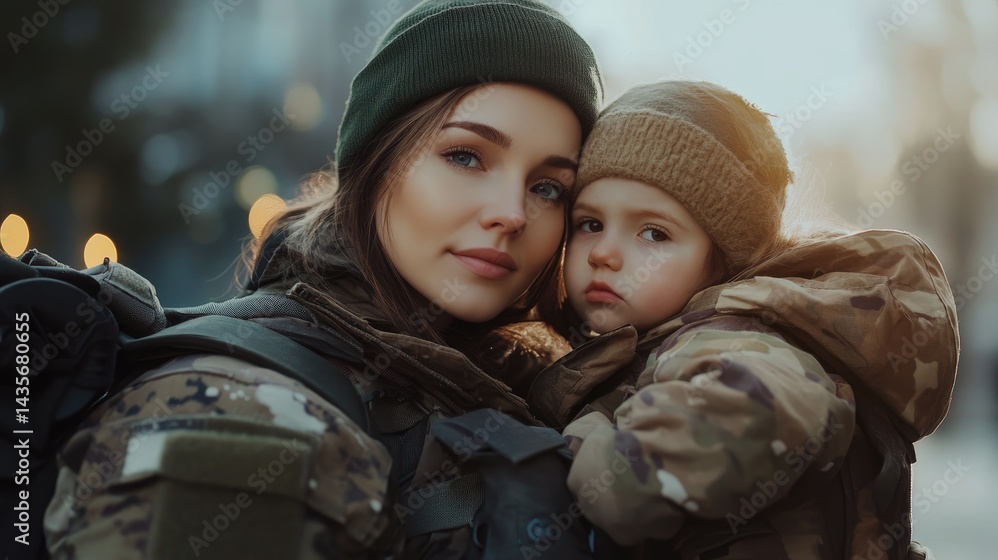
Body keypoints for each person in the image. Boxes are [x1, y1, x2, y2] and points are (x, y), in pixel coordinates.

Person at [42, 1, 603, 558]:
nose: (513, 212)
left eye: (548, 187)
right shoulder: (236, 412)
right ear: (374, 164)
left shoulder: (519, 389)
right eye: (465, 156)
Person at [528, 80, 958, 559]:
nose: (604, 252)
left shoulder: (738, 344)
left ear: (724, 260)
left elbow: (634, 489)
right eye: (591, 224)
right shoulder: (664, 342)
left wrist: (576, 439)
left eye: (654, 233)